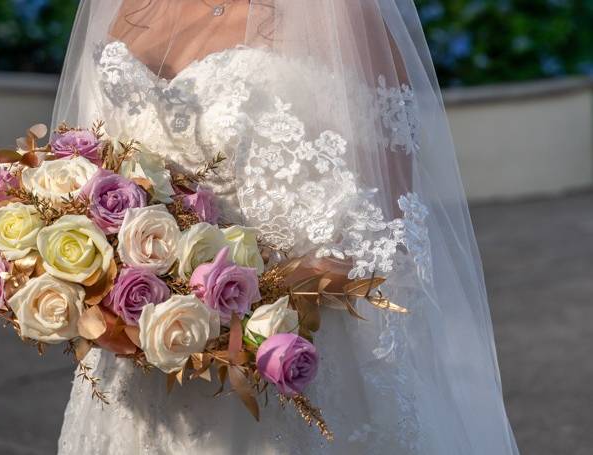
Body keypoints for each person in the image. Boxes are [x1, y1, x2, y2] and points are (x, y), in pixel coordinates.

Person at [54, 1, 519, 453]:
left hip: (288, 347)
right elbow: (87, 172)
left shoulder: (343, 15)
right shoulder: (125, 9)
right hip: (142, 352)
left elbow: (391, 225)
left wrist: (251, 298)